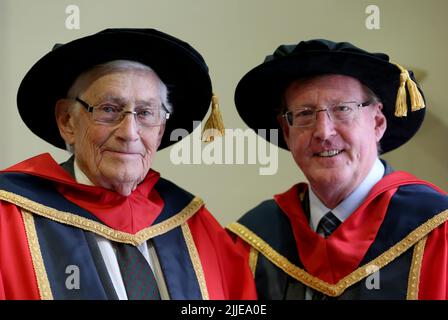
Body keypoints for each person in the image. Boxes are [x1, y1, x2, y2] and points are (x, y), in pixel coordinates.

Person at [0, 28, 256, 300]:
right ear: (67, 121)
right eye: (109, 109)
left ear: (160, 130)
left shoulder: (195, 224)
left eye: (146, 113)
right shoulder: (9, 218)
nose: (130, 132)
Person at [227, 39, 448, 299]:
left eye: (343, 109)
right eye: (305, 114)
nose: (323, 131)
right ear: (286, 131)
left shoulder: (437, 230)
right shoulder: (252, 241)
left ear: (377, 122)